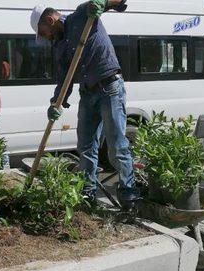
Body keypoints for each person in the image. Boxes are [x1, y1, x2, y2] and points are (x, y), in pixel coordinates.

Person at [30, 0, 139, 210]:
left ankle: (129, 193)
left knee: (116, 144)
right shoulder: (60, 45)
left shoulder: (82, 15)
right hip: (88, 94)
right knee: (86, 146)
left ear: (50, 20)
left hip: (110, 87)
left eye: (44, 33)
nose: (46, 38)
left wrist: (104, 2)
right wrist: (56, 103)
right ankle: (87, 193)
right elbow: (64, 79)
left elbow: (120, 1)